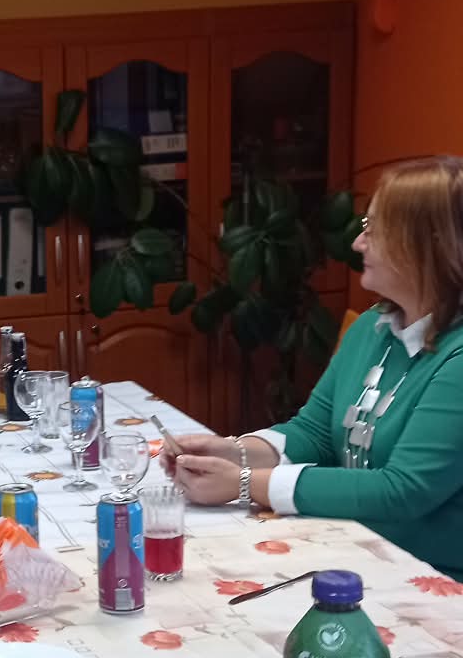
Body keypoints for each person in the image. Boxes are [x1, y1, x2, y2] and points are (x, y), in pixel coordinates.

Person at [168, 156, 463, 579]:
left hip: (434, 581)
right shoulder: (372, 328)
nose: (358, 243)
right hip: (356, 551)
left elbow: (402, 490)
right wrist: (232, 450)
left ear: (428, 244)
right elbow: (316, 432)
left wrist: (245, 482)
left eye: (374, 229)